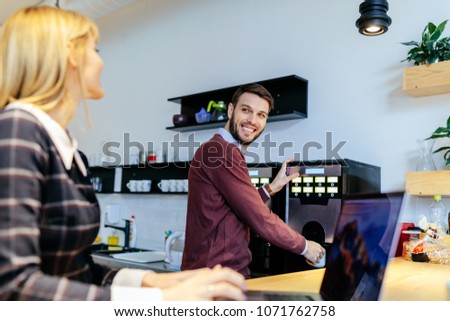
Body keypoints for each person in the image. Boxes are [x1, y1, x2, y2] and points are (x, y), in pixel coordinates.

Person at [0, 6, 246, 301]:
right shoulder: (19, 128)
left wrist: (154, 282)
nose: (101, 62)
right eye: (95, 49)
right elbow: (14, 285)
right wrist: (158, 301)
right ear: (69, 57)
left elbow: (78, 272)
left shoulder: (69, 152)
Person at [181, 83, 325, 278]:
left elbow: (235, 207)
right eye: (246, 110)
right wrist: (305, 246)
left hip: (213, 275)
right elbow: (257, 216)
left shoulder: (218, 149)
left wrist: (272, 187)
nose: (252, 120)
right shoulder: (222, 151)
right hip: (215, 278)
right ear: (231, 110)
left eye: (261, 115)